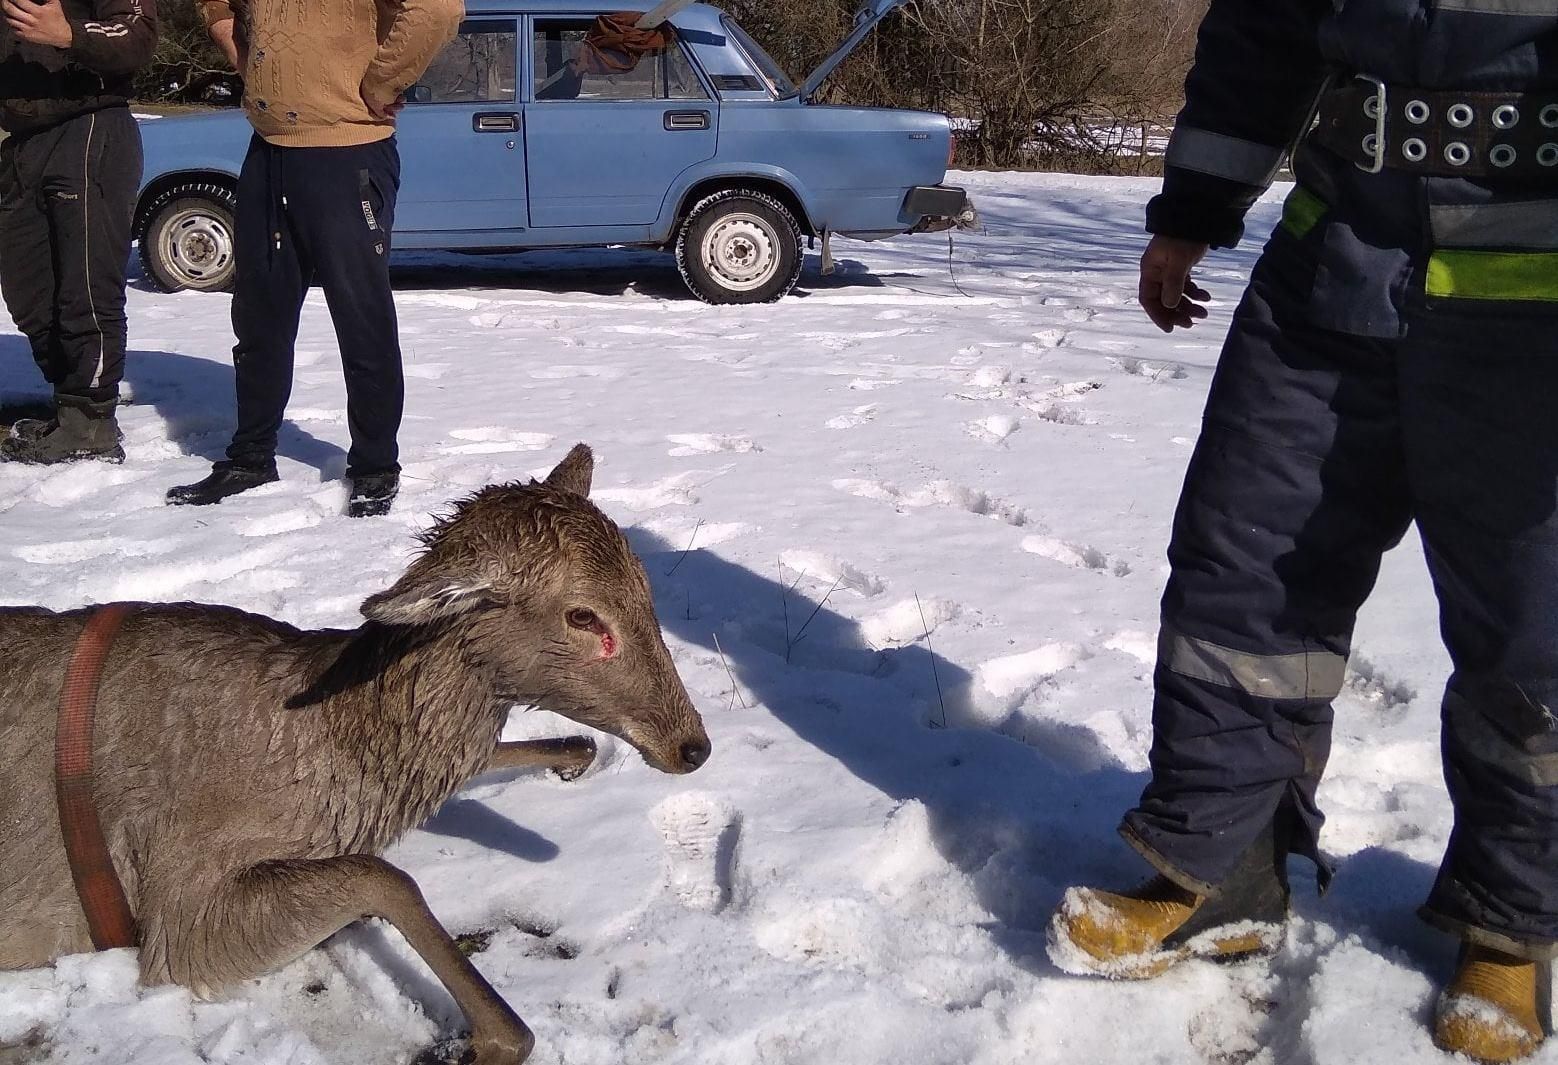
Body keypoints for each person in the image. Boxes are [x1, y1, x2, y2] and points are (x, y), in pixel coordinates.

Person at [1046, 3, 1558, 1061]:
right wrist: (1190, 209)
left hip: (1534, 323)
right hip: (1329, 284)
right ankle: (1221, 872)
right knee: (1245, 580)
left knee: (1534, 635)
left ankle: (1512, 930)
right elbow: (1260, 36)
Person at [168, 0, 462, 517]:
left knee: (360, 315)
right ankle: (250, 457)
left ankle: (374, 465)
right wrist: (232, 38)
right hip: (269, 149)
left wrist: (381, 83)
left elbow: (436, 9)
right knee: (260, 316)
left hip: (347, 153)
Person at [0, 0, 156, 465]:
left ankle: (90, 421)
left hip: (89, 126)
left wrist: (69, 33)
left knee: (86, 286)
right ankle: (68, 400)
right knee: (29, 287)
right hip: (21, 141)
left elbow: (137, 36)